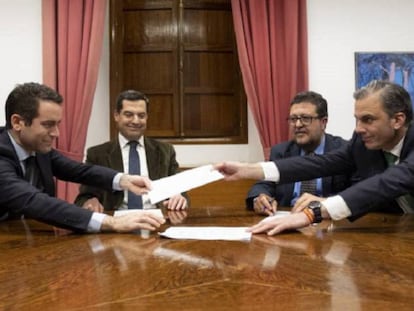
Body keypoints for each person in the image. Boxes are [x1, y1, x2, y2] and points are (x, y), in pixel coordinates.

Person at [215, 80, 414, 235]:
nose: (358, 129)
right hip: (395, 231)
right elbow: (319, 163)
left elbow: (387, 183)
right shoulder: (362, 143)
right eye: (357, 119)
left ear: (397, 120)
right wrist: (247, 170)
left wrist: (313, 213)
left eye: (368, 120)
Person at [0, 82, 165, 233]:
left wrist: (124, 180)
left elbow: (79, 171)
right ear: (17, 122)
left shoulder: (38, 149)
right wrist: (111, 222)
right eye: (48, 125)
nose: (56, 134)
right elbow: (33, 201)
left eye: (58, 124)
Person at [74, 89, 188, 212]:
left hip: (157, 220)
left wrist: (179, 198)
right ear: (116, 115)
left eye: (141, 115)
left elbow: (180, 191)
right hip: (116, 222)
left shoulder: (165, 151)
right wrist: (90, 201)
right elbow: (84, 197)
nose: (135, 121)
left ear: (147, 117)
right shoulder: (97, 154)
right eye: (129, 115)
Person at [246, 91, 350, 215]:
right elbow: (264, 184)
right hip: (288, 218)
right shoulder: (281, 152)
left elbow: (356, 193)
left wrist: (326, 203)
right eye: (293, 119)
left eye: (306, 118)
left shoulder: (343, 150)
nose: (298, 125)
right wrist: (260, 198)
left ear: (323, 122)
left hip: (329, 222)